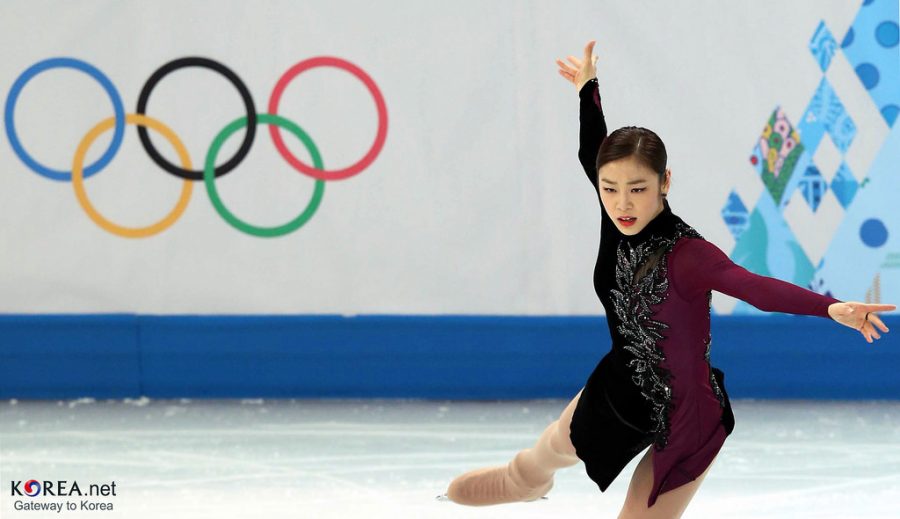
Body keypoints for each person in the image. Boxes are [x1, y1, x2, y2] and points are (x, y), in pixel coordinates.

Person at [442, 40, 895, 518]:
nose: (622, 204)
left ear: (665, 183)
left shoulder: (688, 254)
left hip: (685, 418)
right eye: (610, 189)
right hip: (622, 386)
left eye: (638, 189)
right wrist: (587, 87)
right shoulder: (613, 213)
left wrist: (829, 307)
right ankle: (525, 482)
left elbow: (753, 287)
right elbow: (589, 146)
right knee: (547, 453)